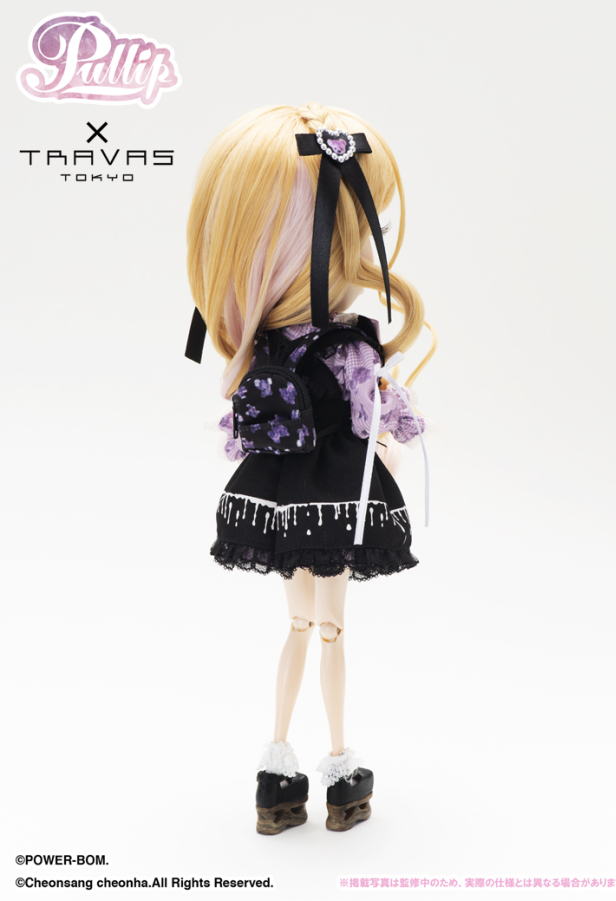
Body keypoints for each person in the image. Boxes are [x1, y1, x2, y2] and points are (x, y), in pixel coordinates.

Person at [186, 102, 436, 833]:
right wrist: (393, 447)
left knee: (297, 625)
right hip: (333, 504)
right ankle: (341, 769)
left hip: (279, 499)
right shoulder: (349, 346)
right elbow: (382, 422)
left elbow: (241, 437)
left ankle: (276, 774)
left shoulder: (265, 349)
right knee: (331, 630)